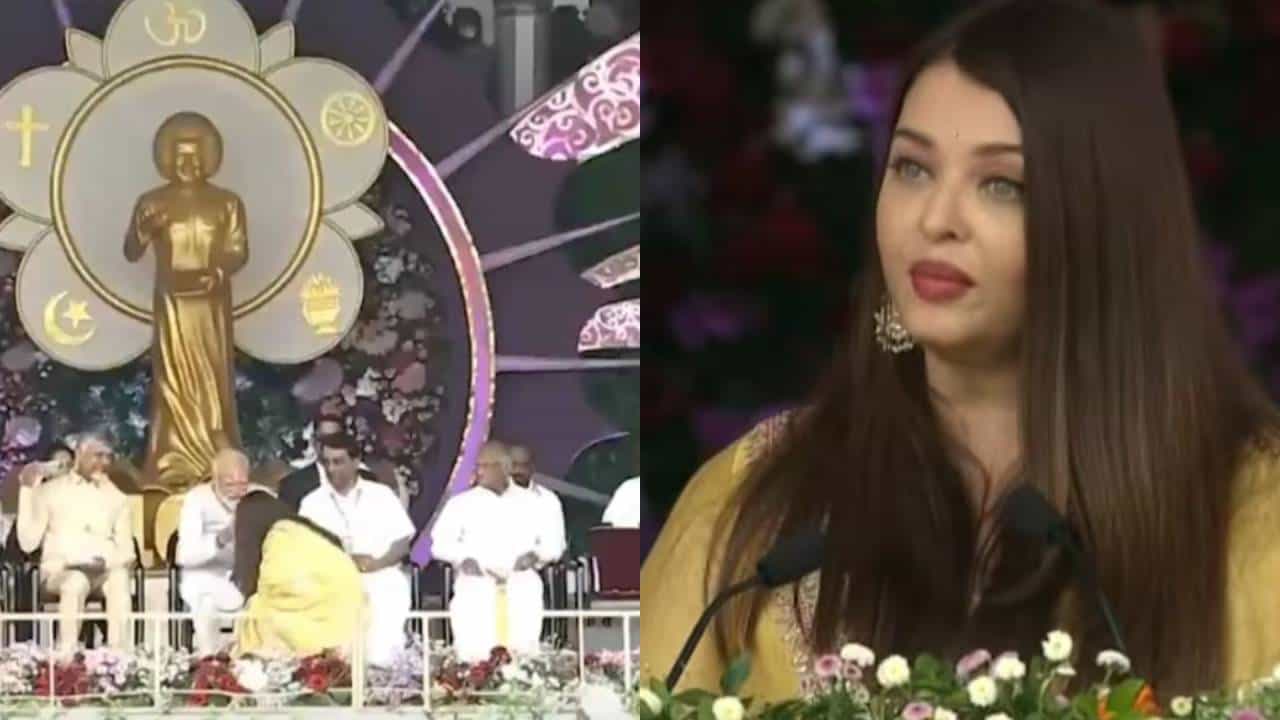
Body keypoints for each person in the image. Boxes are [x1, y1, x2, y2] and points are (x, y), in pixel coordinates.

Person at [643, 0, 1280, 701]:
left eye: (1001, 185)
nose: (936, 219)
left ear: (1104, 227)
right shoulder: (754, 510)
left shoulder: (1255, 526)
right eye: (912, 168)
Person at [125, 111, 247, 492]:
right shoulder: (152, 202)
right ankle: (171, 459)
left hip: (210, 302)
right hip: (172, 302)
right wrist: (144, 228)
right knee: (173, 377)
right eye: (180, 157)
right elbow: (131, 251)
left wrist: (219, 272)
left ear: (208, 159)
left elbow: (238, 250)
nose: (188, 165)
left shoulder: (227, 203)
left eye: (195, 157)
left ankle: (216, 456)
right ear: (167, 159)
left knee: (213, 378)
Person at [299, 433, 415, 667]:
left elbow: (403, 541)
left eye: (338, 461)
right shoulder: (312, 503)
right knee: (340, 656)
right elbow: (303, 550)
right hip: (332, 583)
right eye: (326, 462)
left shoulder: (381, 495)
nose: (331, 469)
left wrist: (378, 563)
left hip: (381, 578)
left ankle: (385, 675)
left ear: (355, 461)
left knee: (382, 647)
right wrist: (343, 563)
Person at [16, 432, 135, 653]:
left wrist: (107, 562)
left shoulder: (117, 498)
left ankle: (119, 658)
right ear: (79, 454)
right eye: (97, 455)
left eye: (108, 457)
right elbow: (27, 543)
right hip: (59, 572)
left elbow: (127, 550)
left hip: (102, 571)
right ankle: (66, 657)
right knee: (75, 582)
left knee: (119, 580)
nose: (103, 462)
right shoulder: (50, 492)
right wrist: (27, 490)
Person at [431, 441, 545, 661]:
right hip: (476, 586)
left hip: (520, 586)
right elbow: (439, 544)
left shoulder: (532, 503)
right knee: (474, 655)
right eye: (478, 466)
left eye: (485, 466)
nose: (479, 471)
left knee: (523, 654)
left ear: (504, 467)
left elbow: (552, 543)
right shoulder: (461, 503)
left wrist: (536, 555)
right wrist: (463, 559)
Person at [231, 490, 365, 660]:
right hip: (353, 615)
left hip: (327, 621)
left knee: (258, 610)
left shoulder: (280, 536)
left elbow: (277, 588)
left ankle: (257, 669)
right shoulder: (303, 531)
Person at [176, 448, 251, 656]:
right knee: (206, 606)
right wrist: (221, 538)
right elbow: (185, 555)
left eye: (242, 484)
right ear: (215, 480)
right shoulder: (196, 499)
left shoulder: (256, 497)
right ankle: (209, 663)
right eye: (230, 484)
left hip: (244, 577)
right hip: (204, 577)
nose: (237, 491)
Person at [507, 445, 567, 569]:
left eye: (523, 465)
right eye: (513, 465)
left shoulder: (548, 500)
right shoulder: (491, 498)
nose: (517, 471)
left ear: (532, 468)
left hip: (538, 572)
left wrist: (536, 556)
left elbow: (557, 546)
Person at [278, 413, 345, 511]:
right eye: (323, 438)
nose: (329, 444)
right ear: (314, 442)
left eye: (335, 438)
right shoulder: (292, 486)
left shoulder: (363, 478)